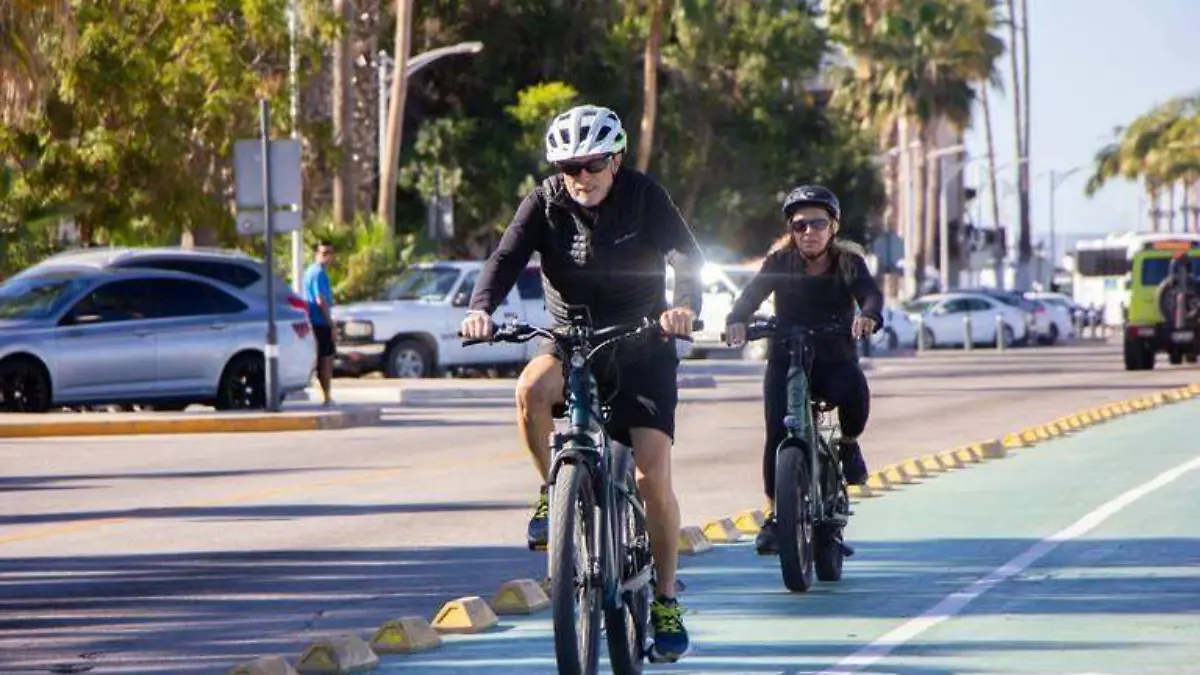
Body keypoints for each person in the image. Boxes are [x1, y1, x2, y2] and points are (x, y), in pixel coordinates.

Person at [460, 104, 703, 662]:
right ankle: (556, 492)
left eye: (592, 164)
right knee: (529, 392)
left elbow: (684, 256)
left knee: (650, 476)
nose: (582, 177)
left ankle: (665, 600)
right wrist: (481, 308)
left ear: (614, 159)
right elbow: (504, 257)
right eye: (570, 167)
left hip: (643, 343)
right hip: (570, 339)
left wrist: (684, 306)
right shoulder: (545, 201)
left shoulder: (645, 196)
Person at [723, 185, 883, 555]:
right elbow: (750, 297)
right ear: (791, 230)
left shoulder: (849, 263)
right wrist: (737, 320)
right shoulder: (779, 263)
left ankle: (848, 445)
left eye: (818, 223)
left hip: (834, 358)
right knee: (776, 435)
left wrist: (869, 315)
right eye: (799, 225)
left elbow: (870, 295)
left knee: (854, 391)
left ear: (833, 227)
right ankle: (776, 517)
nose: (809, 232)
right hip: (787, 358)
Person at [303, 241, 337, 407]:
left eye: (329, 253)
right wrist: (330, 324)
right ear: (317, 254)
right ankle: (327, 396)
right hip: (319, 322)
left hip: (313, 320)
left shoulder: (311, 271)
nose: (326, 257)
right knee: (326, 359)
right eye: (323, 253)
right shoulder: (318, 273)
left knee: (321, 358)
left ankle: (326, 394)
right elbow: (320, 300)